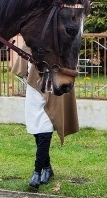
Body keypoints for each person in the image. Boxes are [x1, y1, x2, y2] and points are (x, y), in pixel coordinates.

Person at [12, 48, 79, 189]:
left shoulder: (57, 41)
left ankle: (36, 172)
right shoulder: (32, 38)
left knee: (44, 132)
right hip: (34, 90)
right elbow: (22, 64)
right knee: (37, 131)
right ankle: (47, 167)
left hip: (52, 88)